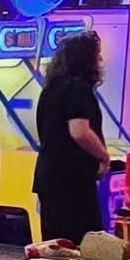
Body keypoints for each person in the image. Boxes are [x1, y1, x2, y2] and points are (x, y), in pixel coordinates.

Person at [34, 31, 108, 244]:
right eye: (97, 55)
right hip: (72, 179)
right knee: (83, 242)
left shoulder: (50, 89)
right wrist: (103, 156)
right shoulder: (78, 88)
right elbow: (79, 131)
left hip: (49, 174)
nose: (100, 60)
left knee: (56, 243)